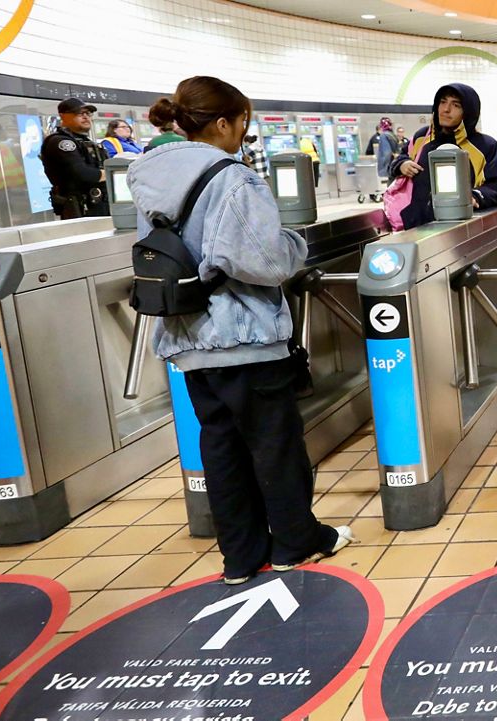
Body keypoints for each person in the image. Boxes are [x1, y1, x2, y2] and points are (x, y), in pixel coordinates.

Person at [127, 76, 354, 586]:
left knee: (221, 445)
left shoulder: (149, 177)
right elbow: (264, 260)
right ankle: (297, 542)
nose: (242, 135)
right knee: (274, 443)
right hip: (243, 336)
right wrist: (294, 245)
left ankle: (241, 556)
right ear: (225, 122)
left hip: (187, 335)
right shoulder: (233, 177)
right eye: (243, 123)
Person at [391, 83, 497, 229]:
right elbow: (401, 157)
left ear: (468, 112)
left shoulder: (484, 146)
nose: (446, 109)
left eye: (456, 105)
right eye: (442, 102)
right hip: (418, 225)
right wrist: (402, 164)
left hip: (462, 228)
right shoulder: (422, 137)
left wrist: (475, 196)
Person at [41, 97, 109, 219]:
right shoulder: (60, 142)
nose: (85, 117)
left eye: (88, 113)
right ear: (62, 116)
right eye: (79, 113)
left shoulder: (84, 141)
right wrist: (111, 174)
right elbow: (82, 173)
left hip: (96, 206)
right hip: (80, 208)